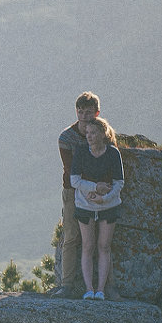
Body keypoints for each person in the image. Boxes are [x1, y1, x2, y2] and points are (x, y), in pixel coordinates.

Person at [70, 116, 124, 300]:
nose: (89, 136)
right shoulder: (81, 152)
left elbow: (119, 182)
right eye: (87, 133)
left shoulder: (113, 153)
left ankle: (101, 289)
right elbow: (74, 180)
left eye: (93, 132)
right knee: (88, 246)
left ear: (103, 134)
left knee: (104, 246)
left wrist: (105, 198)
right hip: (85, 205)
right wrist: (95, 188)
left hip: (108, 205)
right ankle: (89, 289)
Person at [53, 92, 101, 297]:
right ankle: (67, 284)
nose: (83, 117)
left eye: (88, 113)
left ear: (97, 113)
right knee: (71, 237)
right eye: (80, 112)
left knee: (101, 240)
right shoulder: (66, 137)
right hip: (73, 191)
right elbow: (72, 168)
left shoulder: (104, 134)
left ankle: (103, 286)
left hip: (98, 191)